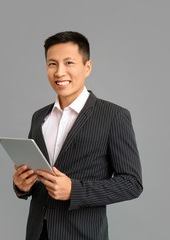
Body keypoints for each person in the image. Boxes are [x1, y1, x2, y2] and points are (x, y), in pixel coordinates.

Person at [13, 31, 143, 240]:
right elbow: (38, 180)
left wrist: (74, 190)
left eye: (69, 63)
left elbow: (132, 184)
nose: (59, 72)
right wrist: (22, 186)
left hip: (83, 234)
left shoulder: (114, 116)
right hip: (37, 234)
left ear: (87, 67)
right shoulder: (39, 117)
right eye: (52, 64)